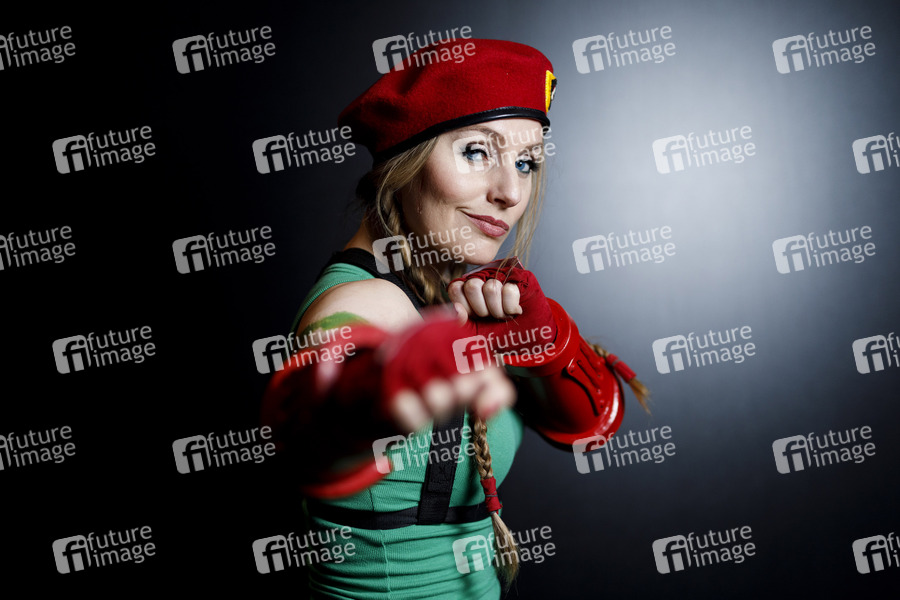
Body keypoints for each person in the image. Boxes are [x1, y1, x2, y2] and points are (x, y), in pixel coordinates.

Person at [261, 38, 648, 599]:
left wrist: (548, 341)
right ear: (406, 161)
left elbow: (591, 425)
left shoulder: (454, 294)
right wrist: (390, 381)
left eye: (525, 163)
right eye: (476, 152)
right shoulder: (365, 303)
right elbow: (316, 422)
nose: (510, 192)